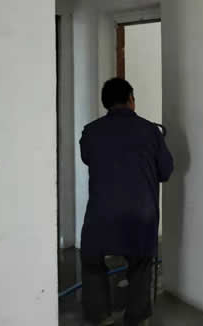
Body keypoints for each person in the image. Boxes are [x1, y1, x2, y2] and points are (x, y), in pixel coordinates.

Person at [79, 77, 173, 326]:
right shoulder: (151, 131)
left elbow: (87, 157)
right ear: (131, 99)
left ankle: (99, 316)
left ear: (105, 103)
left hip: (101, 216)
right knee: (141, 263)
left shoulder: (90, 132)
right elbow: (165, 171)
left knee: (91, 261)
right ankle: (137, 318)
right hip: (141, 216)